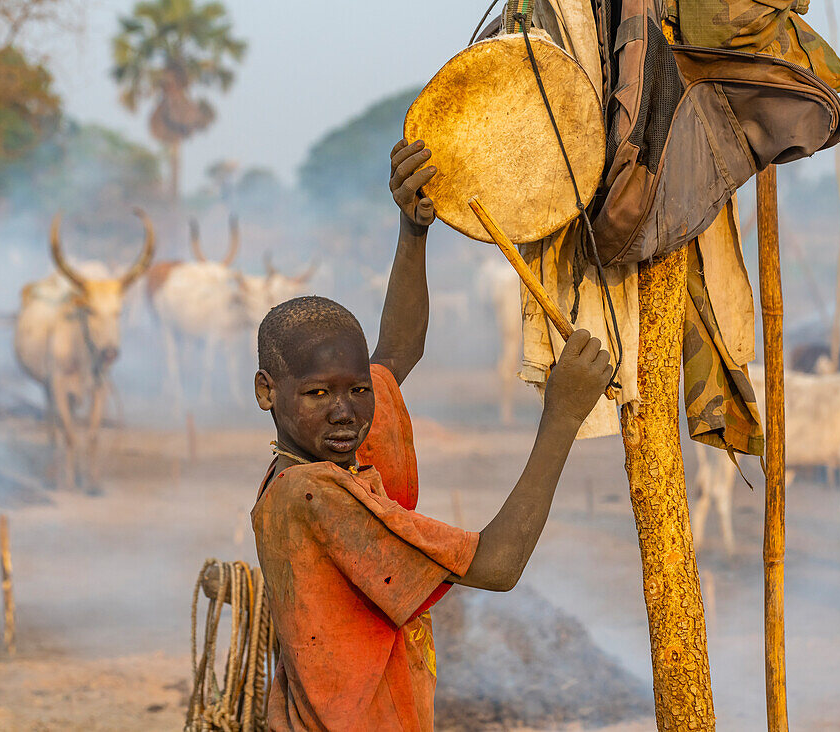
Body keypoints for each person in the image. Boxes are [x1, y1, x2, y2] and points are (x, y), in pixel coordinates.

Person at [250, 139, 612, 731]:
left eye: (357, 390)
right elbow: (497, 565)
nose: (345, 412)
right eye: (318, 394)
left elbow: (397, 349)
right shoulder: (314, 495)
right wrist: (562, 416)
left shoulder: (313, 454)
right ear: (268, 392)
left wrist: (413, 232)